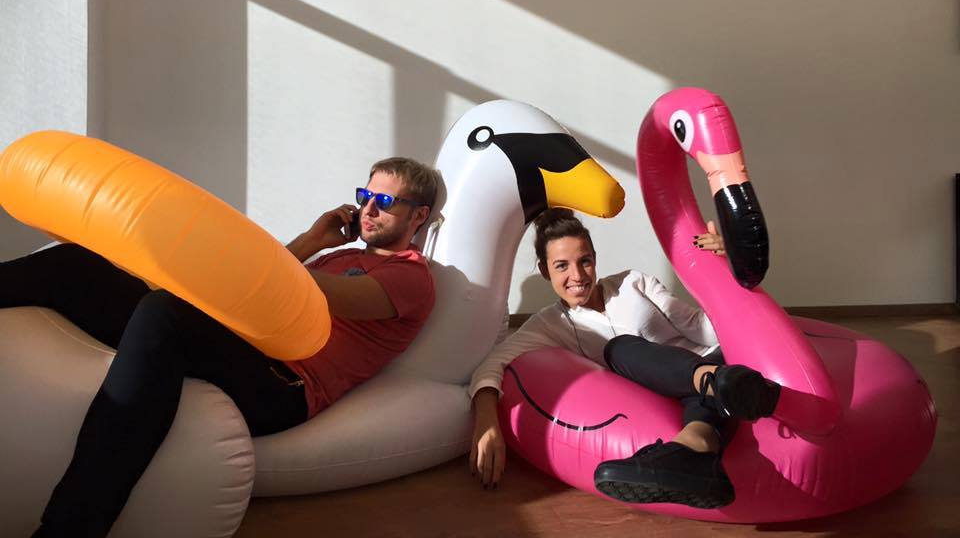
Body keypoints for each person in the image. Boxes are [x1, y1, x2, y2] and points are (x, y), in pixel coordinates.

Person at [0, 157, 441, 538]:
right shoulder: (335, 258)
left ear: (418, 216)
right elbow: (255, 288)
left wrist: (291, 252)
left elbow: (311, 293)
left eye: (384, 202)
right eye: (365, 194)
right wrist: (312, 241)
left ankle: (72, 527)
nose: (367, 209)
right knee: (78, 264)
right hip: (241, 345)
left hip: (283, 385)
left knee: (164, 312)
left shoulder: (411, 278)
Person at [468, 208, 780, 508]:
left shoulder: (632, 283)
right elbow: (494, 363)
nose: (577, 276)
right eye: (562, 266)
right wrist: (487, 422)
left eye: (585, 261)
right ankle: (713, 406)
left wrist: (725, 272)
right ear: (544, 270)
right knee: (619, 348)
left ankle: (707, 414)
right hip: (692, 391)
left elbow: (703, 330)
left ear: (595, 260)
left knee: (626, 350)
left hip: (714, 361)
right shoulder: (550, 324)